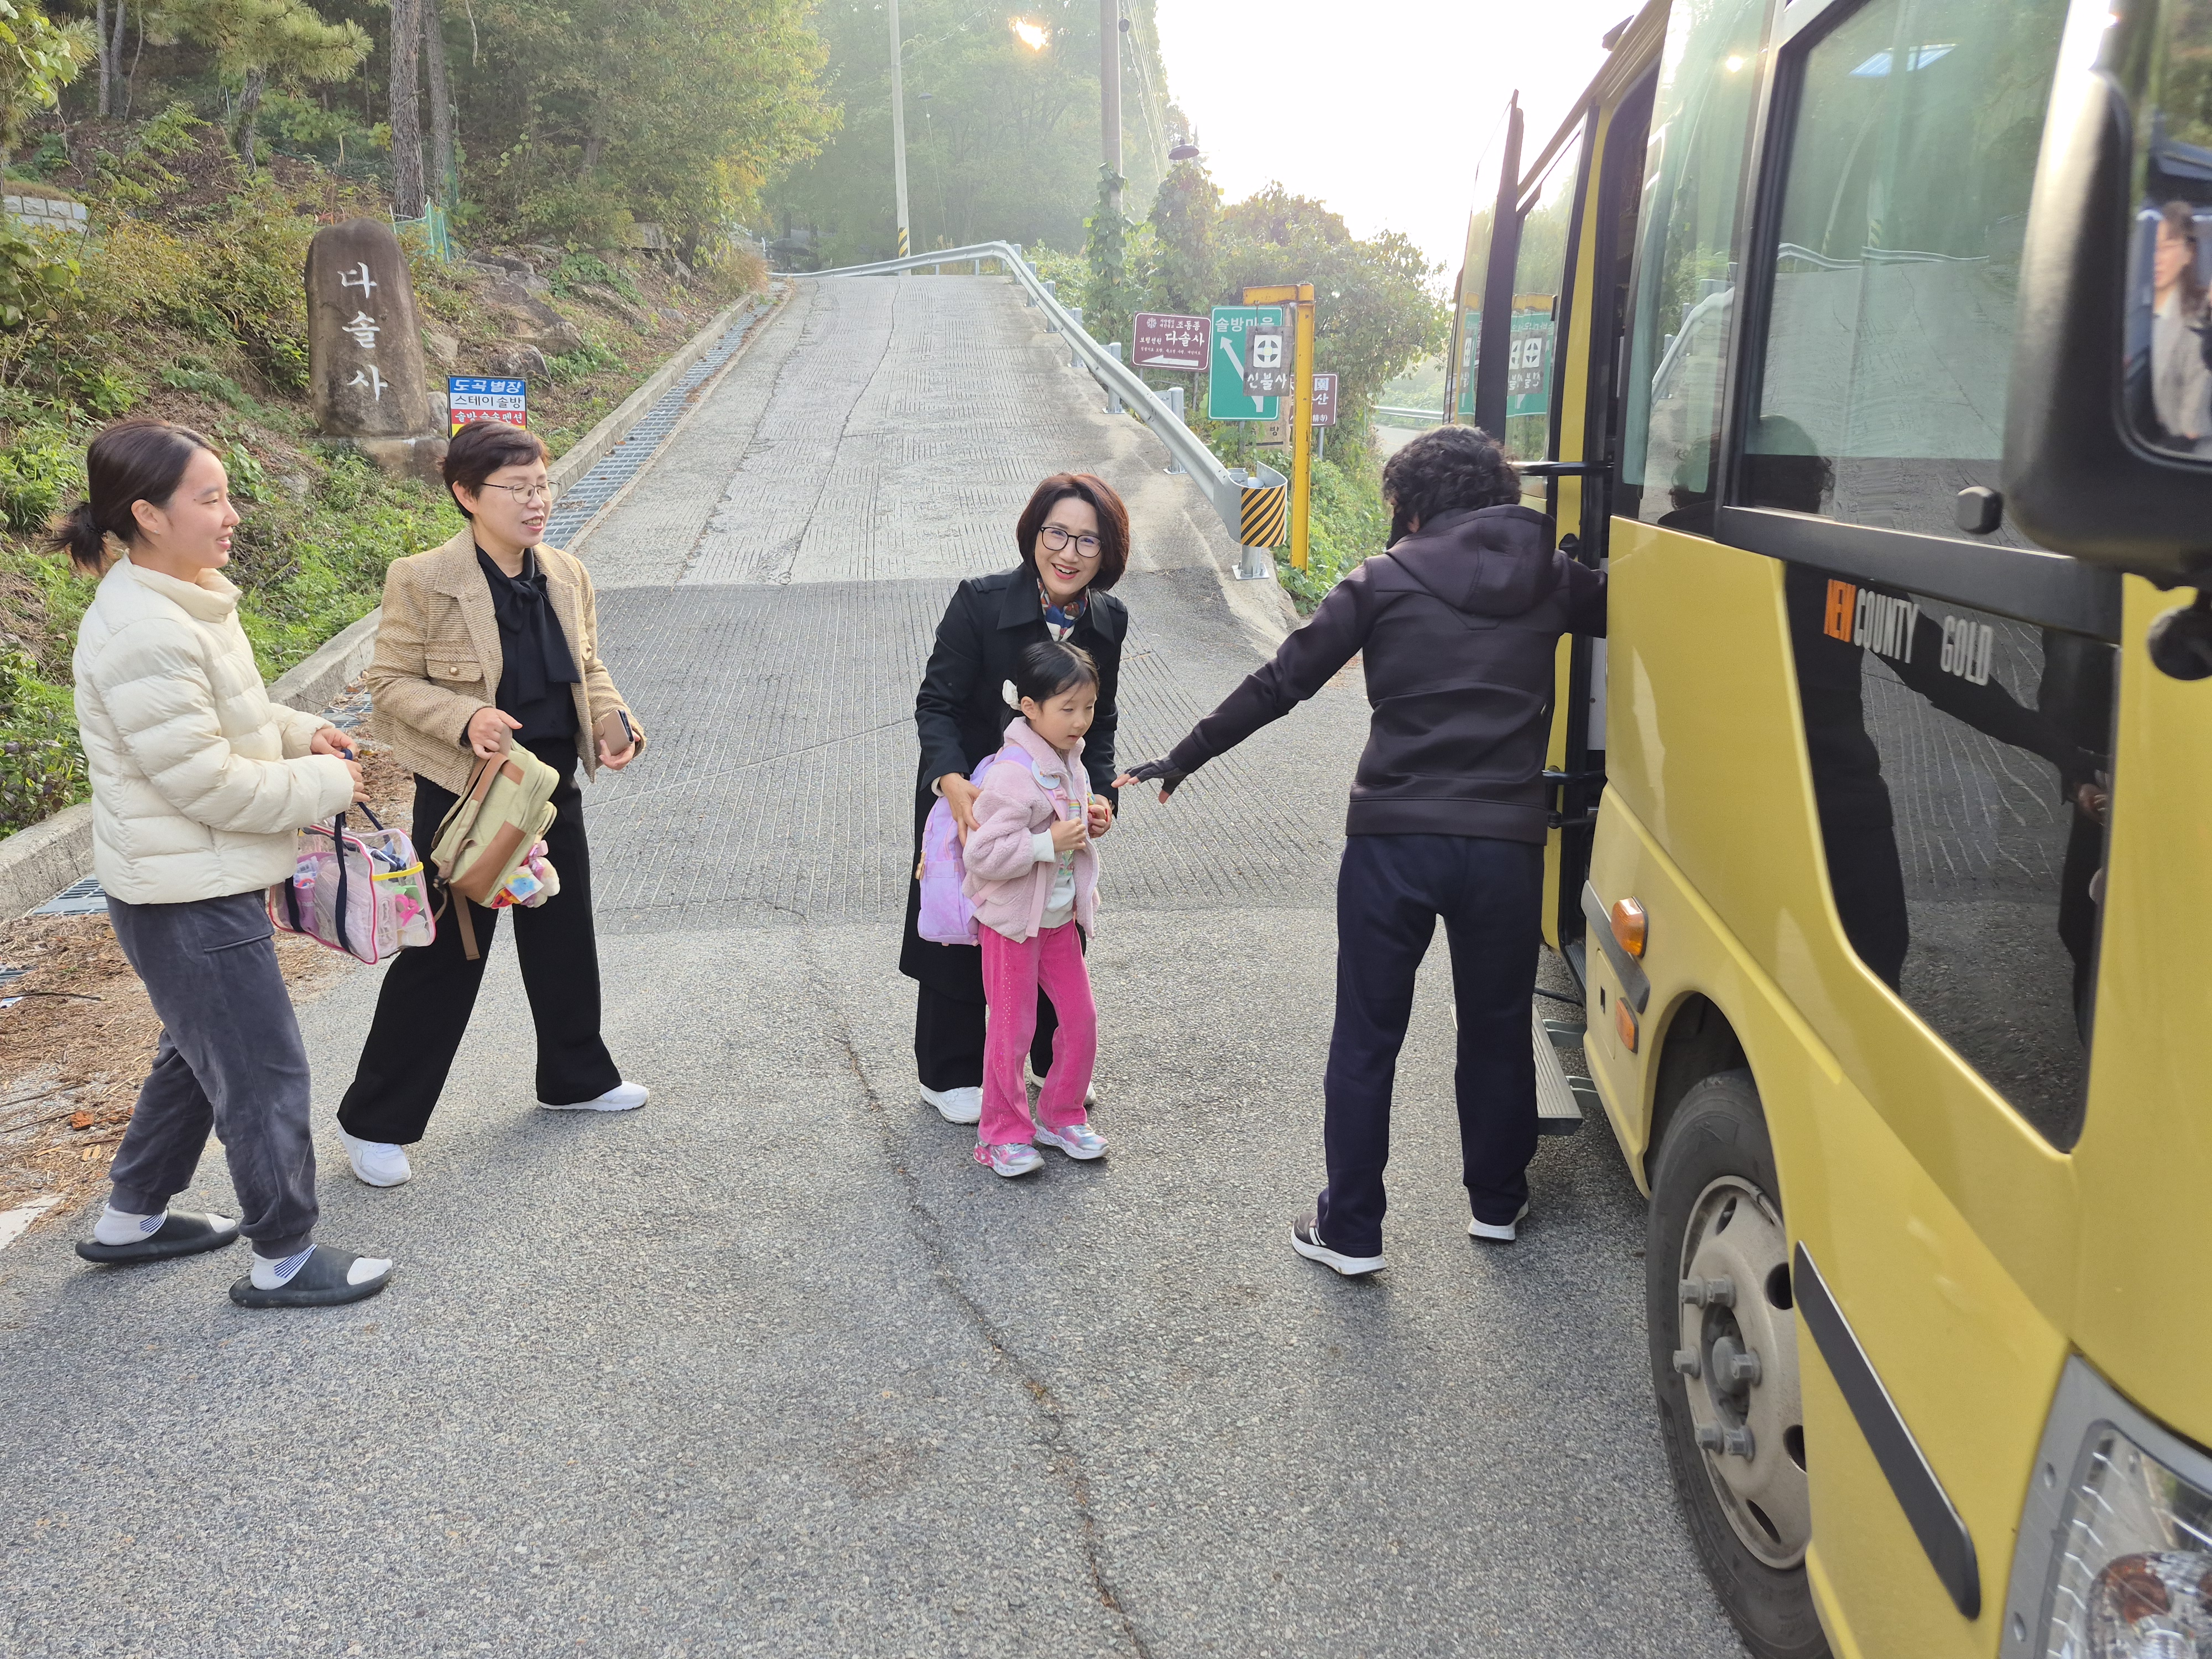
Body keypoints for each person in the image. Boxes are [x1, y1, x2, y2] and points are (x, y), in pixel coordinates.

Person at [1117, 425, 1604, 1274]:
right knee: (1495, 1026)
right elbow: (1653, 603)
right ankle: (1497, 1200)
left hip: (1394, 844)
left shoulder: (1383, 579)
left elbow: (1283, 682)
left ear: (1413, 503)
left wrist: (1185, 756)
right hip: (1505, 846)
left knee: (1368, 1034)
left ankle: (1351, 1231)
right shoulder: (1556, 581)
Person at [60, 418, 393, 1308]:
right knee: (260, 1069)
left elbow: (236, 716)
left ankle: (132, 1219)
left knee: (196, 1057)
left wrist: (302, 732)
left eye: (227, 493)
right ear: (148, 514)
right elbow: (205, 780)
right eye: (209, 498)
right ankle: (285, 1256)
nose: (231, 513)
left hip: (187, 884)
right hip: (186, 893)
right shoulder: (144, 631)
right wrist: (323, 781)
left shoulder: (185, 596)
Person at [334, 420, 646, 1187]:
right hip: (465, 798)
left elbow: (588, 666)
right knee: (448, 954)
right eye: (518, 489)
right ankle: (372, 1121)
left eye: (541, 484)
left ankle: (576, 1078)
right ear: (466, 495)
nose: (537, 501)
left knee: (564, 935)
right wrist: (464, 718)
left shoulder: (566, 572)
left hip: (547, 790)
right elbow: (389, 682)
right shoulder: (423, 577)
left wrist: (613, 720)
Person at [904, 474, 1124, 1125]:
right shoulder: (980, 601)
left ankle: (1053, 1063)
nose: (1069, 552)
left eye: (1088, 540)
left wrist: (1103, 793)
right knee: (964, 921)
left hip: (1057, 801)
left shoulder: (1107, 619)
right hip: (974, 793)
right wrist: (949, 781)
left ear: (1106, 553)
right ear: (1034, 534)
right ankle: (946, 1070)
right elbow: (936, 703)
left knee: (1055, 916)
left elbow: (1101, 719)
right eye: (1057, 533)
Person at [960, 641, 1108, 1176]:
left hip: (1059, 919)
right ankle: (1002, 1133)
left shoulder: (1071, 759)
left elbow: (1068, 830)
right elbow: (983, 854)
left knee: (1081, 1017)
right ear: (1029, 707)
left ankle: (1060, 1114)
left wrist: (1093, 822)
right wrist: (1048, 842)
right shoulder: (1011, 774)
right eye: (1066, 708)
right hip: (1013, 926)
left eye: (1088, 707)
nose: (1079, 721)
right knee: (1012, 1027)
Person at [2150, 201, 2212, 450]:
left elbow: (2193, 427)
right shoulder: (2125, 311)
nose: (2156, 257)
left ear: (2188, 254)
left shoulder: (2198, 324)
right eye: (2152, 247)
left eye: (2167, 247)